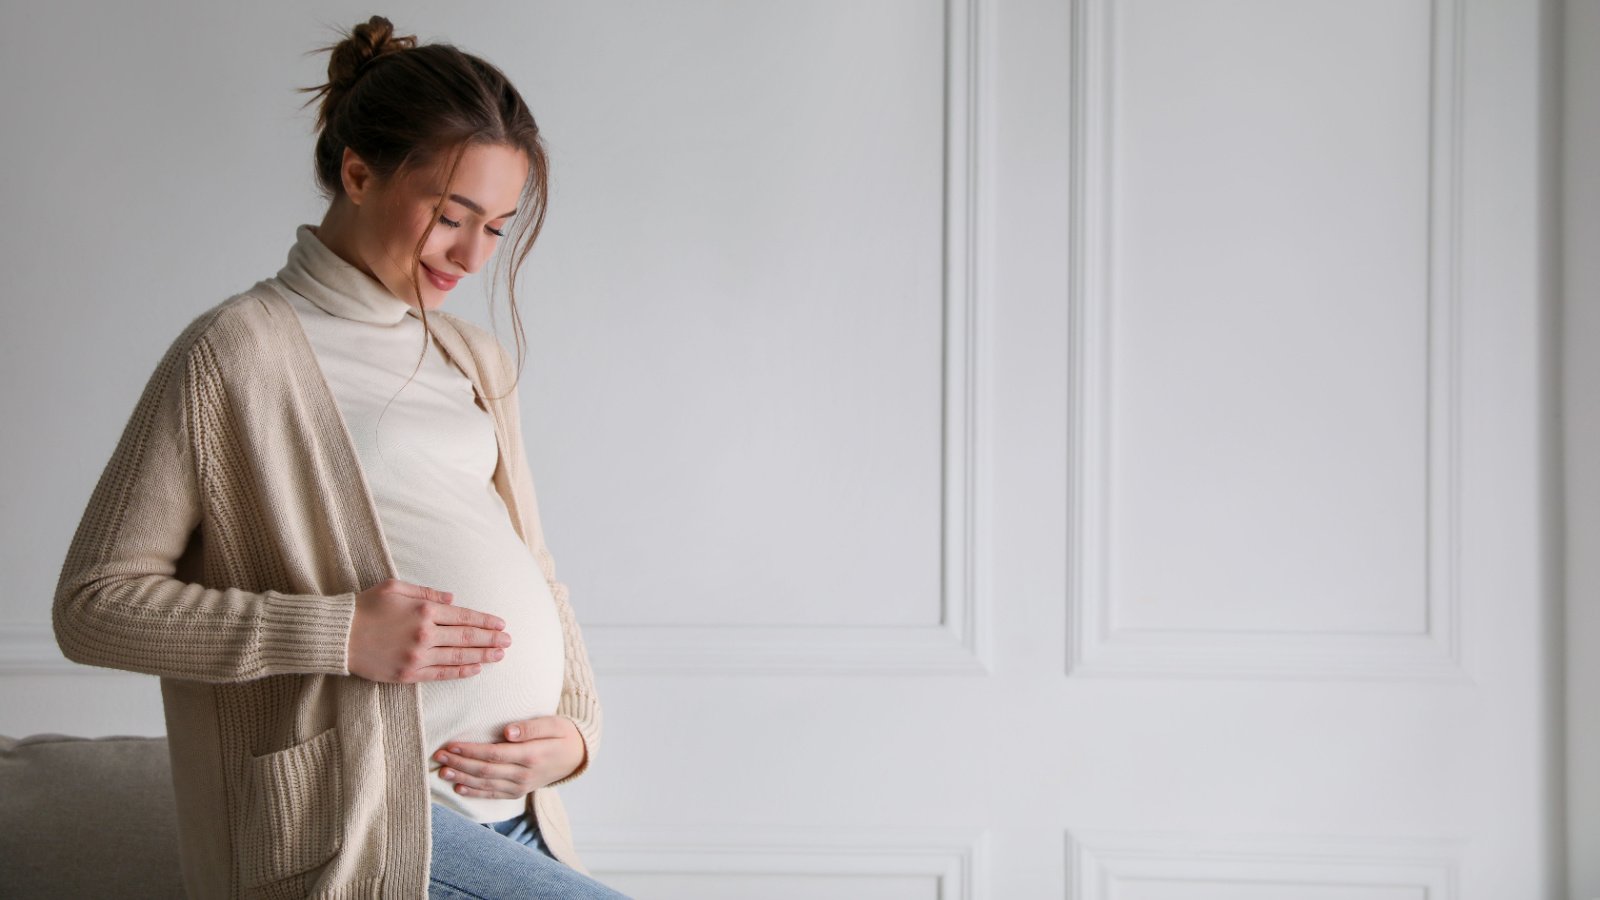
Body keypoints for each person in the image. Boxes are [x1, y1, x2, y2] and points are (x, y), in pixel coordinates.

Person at [51, 15, 630, 899]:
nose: (471, 256)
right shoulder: (235, 354)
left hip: (516, 815)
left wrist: (578, 730)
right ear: (358, 173)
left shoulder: (473, 359)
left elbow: (535, 568)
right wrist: (337, 632)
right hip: (367, 823)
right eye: (451, 216)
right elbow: (95, 605)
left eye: (498, 229)